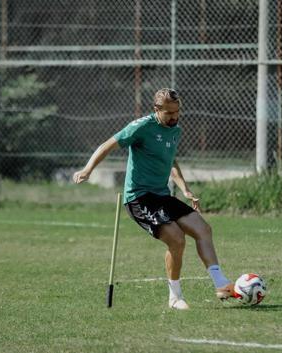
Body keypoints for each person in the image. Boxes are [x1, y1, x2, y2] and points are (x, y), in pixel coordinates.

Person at [72, 88, 233, 310]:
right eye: (169, 113)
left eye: (177, 112)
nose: (175, 117)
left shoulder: (175, 130)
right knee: (176, 239)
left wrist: (184, 188)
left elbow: (169, 161)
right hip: (139, 198)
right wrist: (88, 169)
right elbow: (108, 145)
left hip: (162, 195)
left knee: (203, 228)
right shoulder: (141, 127)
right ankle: (175, 297)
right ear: (156, 109)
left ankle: (221, 284)